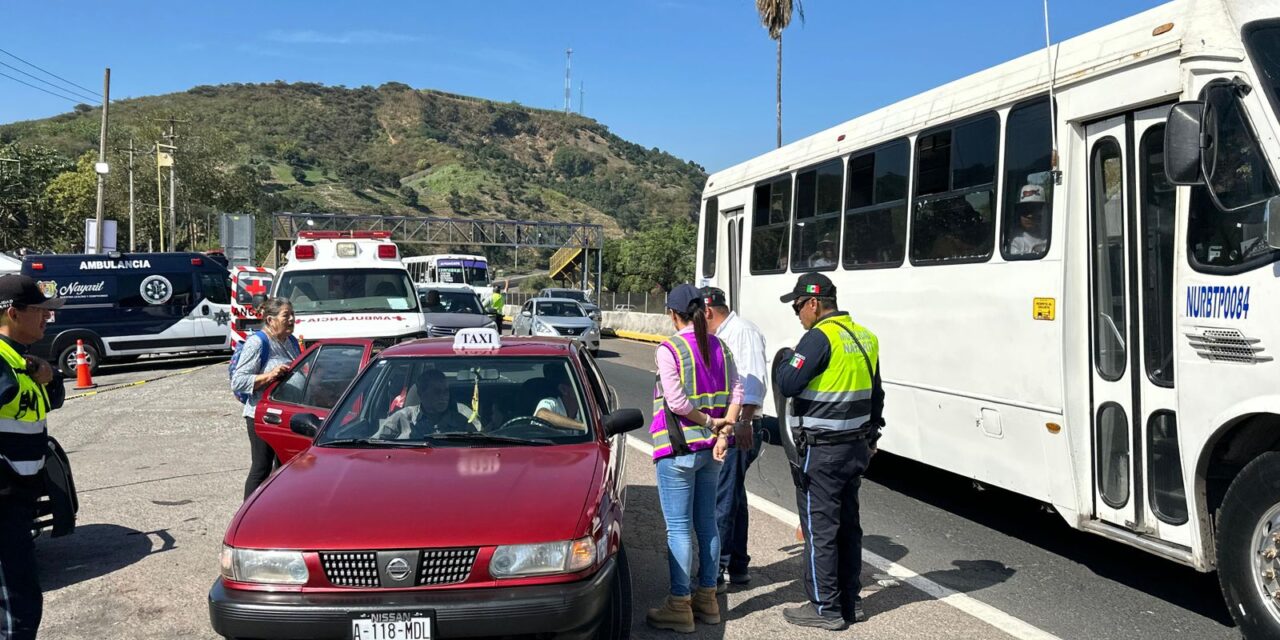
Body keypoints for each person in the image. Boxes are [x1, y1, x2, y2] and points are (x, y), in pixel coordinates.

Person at [774, 273, 884, 631]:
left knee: (820, 530)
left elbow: (788, 382)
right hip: (856, 448)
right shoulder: (865, 337)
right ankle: (851, 602)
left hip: (822, 453)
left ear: (813, 303)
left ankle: (824, 608)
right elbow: (876, 394)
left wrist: (788, 359)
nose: (798, 315)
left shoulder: (818, 337)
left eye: (797, 308)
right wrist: (873, 437)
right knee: (849, 527)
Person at [646, 284, 743, 633]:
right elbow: (738, 391)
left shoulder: (669, 348)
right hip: (710, 450)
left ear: (673, 315)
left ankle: (679, 604)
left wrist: (709, 421)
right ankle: (708, 600)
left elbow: (677, 403)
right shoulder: (721, 345)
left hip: (678, 449)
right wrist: (724, 429)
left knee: (678, 529)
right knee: (707, 525)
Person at [0, 275, 66, 640]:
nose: (47, 319)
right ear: (13, 312)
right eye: (40, 312)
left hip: (19, 499)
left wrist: (50, 375)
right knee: (16, 610)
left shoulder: (19, 359)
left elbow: (47, 401)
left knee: (22, 602)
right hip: (5, 501)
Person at [700, 286, 768, 593]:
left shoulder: (742, 333)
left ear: (708, 312)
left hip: (741, 426)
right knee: (734, 498)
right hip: (733, 426)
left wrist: (741, 424)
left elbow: (752, 381)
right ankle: (738, 565)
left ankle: (716, 571)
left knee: (722, 498)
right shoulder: (725, 333)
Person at [230, 297, 301, 499]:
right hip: (261, 416)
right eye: (286, 315)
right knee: (261, 468)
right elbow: (238, 381)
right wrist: (270, 375)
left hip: (286, 416)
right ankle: (247, 516)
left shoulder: (291, 341)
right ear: (270, 320)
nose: (291, 319)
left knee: (285, 468)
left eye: (292, 314)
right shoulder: (258, 343)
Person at [375, 369, 473, 438]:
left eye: (446, 391)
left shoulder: (462, 422)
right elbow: (373, 446)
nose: (444, 396)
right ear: (421, 393)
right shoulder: (401, 418)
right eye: (437, 392)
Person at [533, 363, 585, 430]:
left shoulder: (584, 410)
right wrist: (582, 426)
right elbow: (542, 415)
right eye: (577, 385)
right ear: (564, 389)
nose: (583, 388)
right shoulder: (551, 403)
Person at [1008, 184, 1049, 257]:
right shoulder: (1015, 241)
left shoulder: (1050, 235)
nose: (1030, 216)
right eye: (1025, 210)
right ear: (1018, 213)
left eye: (1034, 210)